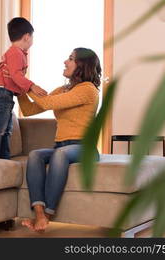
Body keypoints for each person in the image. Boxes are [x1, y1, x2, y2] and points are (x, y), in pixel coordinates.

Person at [18, 47, 102, 232]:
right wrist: (20, 89)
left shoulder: (88, 90)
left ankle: (47, 215)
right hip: (62, 147)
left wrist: (27, 84)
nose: (65, 61)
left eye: (70, 58)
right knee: (35, 155)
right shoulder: (63, 89)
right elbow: (30, 110)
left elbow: (48, 103)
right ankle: (38, 213)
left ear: (82, 65)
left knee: (60, 154)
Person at [0, 17, 47, 159]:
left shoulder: (16, 52)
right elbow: (15, 75)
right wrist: (32, 86)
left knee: (6, 130)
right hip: (2, 93)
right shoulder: (16, 53)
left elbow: (14, 77)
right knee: (0, 129)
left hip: (5, 94)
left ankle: (4, 159)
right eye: (32, 37)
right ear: (27, 37)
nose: (32, 41)